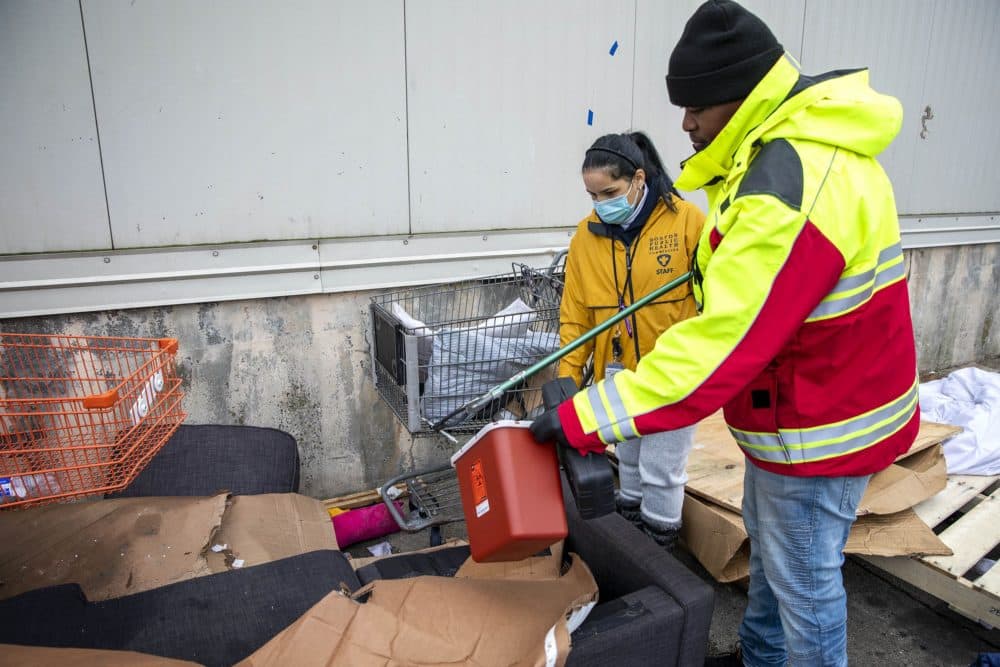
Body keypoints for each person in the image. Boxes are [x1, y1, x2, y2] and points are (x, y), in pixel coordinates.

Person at [531, 1, 918, 665]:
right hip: (800, 415)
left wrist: (583, 417)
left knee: (805, 586)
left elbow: (722, 344)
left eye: (697, 107)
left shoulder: (789, 182)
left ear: (740, 98)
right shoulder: (782, 155)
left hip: (822, 428)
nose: (684, 122)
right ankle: (761, 657)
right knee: (774, 556)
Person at [560, 131, 705, 550]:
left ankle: (660, 554)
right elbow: (575, 318)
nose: (601, 203)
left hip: (672, 373)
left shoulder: (685, 222)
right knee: (629, 463)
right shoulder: (585, 237)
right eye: (592, 195)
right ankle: (631, 550)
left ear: (638, 178)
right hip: (619, 371)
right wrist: (566, 385)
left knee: (662, 470)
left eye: (610, 191)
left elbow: (716, 301)